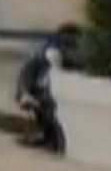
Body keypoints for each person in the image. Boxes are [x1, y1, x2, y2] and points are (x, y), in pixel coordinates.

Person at [17, 24, 82, 154]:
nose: (63, 47)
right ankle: (47, 135)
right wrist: (25, 92)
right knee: (37, 102)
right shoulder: (43, 55)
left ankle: (53, 137)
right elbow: (27, 72)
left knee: (49, 106)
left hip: (60, 92)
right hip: (42, 90)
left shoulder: (76, 57)